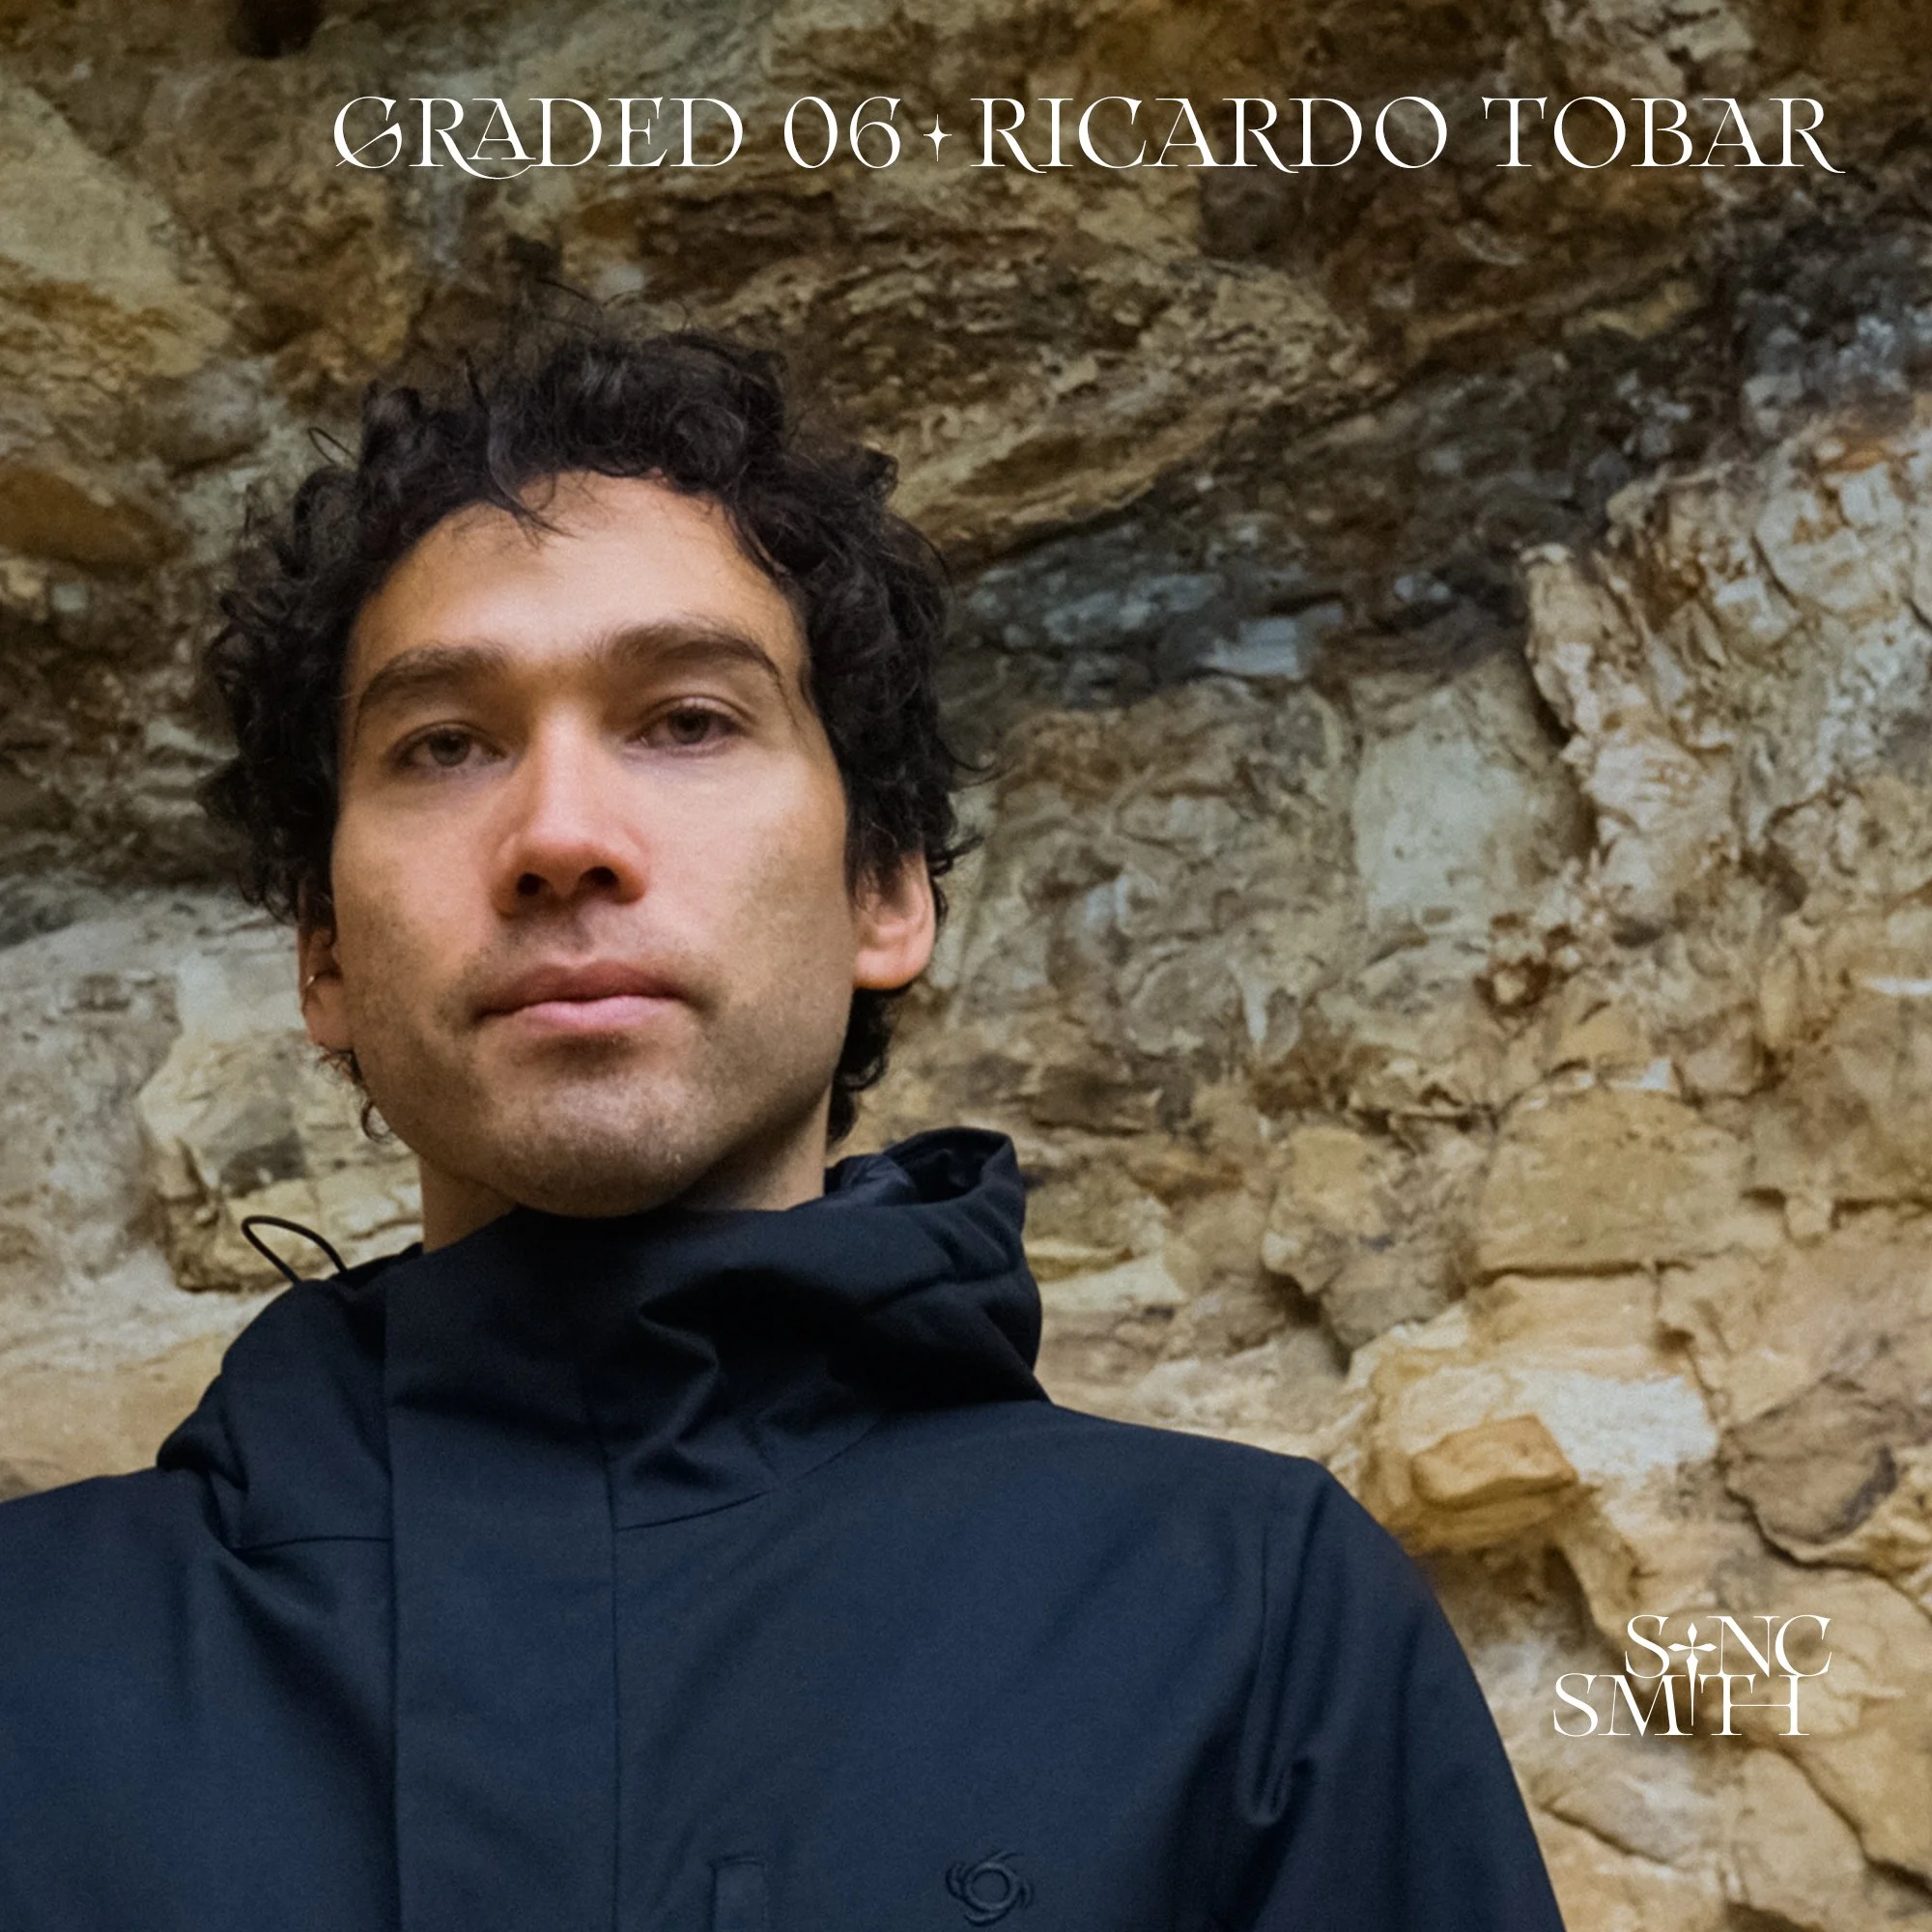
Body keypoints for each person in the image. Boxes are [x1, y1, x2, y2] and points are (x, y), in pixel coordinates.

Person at [0, 314, 1567, 1932]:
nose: (559, 836)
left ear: (886, 889)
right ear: (323, 952)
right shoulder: (28, 1659)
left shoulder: (1251, 1631)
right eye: (444, 744)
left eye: (686, 719)